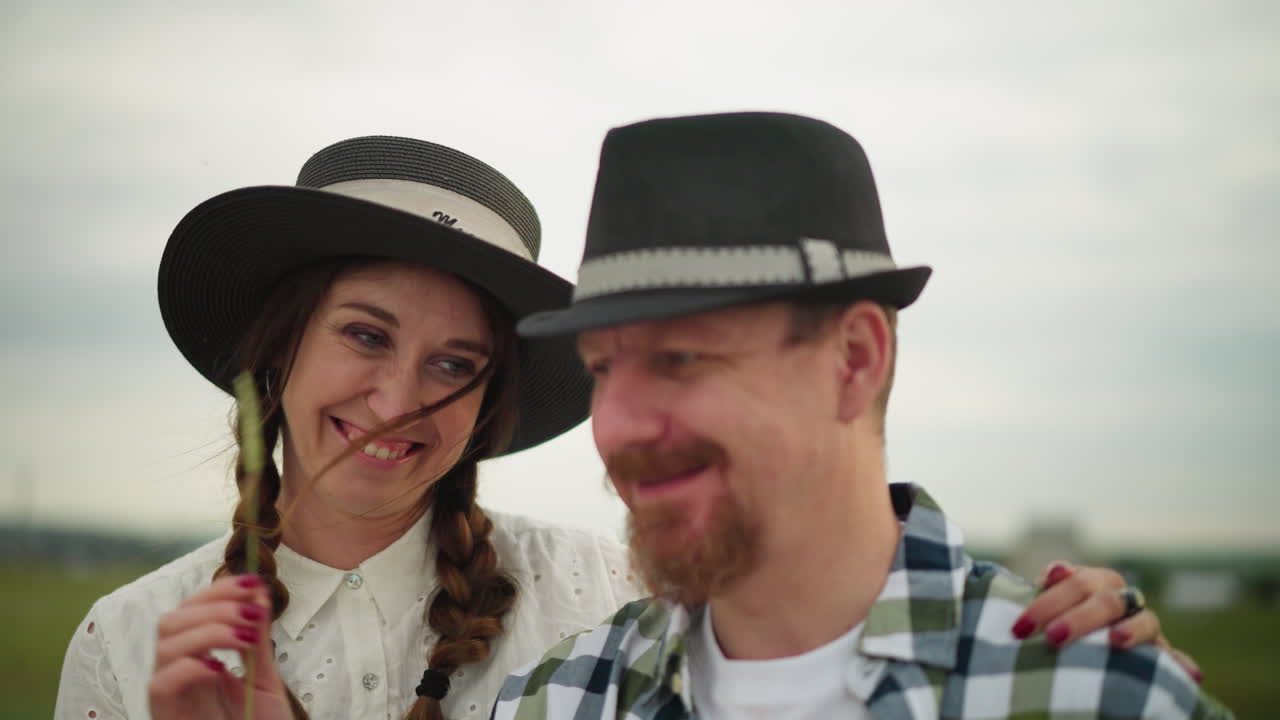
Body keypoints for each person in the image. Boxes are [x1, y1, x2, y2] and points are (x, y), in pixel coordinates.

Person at [54, 133, 1187, 720]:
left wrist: (1069, 654)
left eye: (456, 364)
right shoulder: (582, 689)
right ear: (278, 347)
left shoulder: (608, 606)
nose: (397, 401)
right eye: (362, 336)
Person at [494, 113, 1232, 719]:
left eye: (681, 360)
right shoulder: (554, 702)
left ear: (854, 360)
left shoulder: (1093, 699)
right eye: (600, 368)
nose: (617, 427)